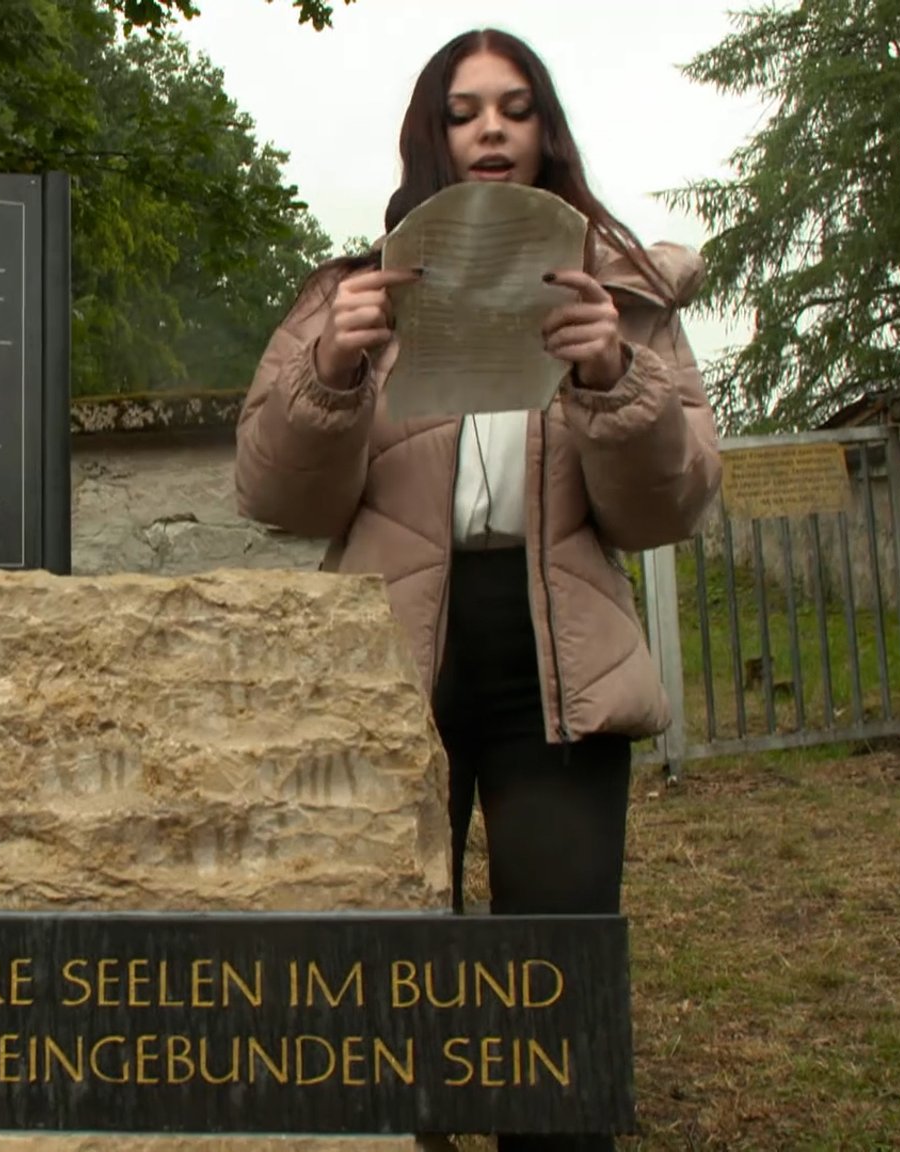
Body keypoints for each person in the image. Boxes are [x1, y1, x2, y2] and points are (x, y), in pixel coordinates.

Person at [234, 27, 722, 1151]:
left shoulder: (625, 304)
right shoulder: (351, 291)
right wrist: (333, 369)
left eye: (512, 105)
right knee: (383, 984)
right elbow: (272, 494)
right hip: (387, 657)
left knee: (549, 988)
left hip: (558, 662)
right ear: (433, 136)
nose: (490, 126)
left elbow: (668, 510)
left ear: (545, 129)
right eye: (463, 110)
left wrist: (613, 378)